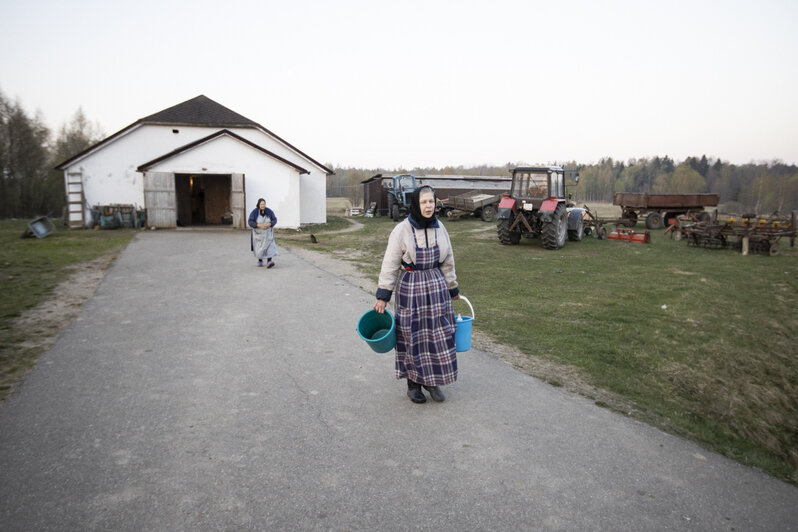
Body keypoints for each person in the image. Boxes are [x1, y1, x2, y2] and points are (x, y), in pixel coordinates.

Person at [373, 185, 460, 404]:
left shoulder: (440, 228)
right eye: (423, 202)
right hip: (411, 289)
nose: (428, 206)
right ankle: (413, 385)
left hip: (436, 287)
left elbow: (448, 261)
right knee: (413, 337)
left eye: (431, 201)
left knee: (437, 335)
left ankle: (432, 382)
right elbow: (390, 264)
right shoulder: (402, 230)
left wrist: (452, 287)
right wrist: (383, 295)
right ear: (416, 204)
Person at [248, 198, 278, 268]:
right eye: (261, 204)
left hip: (268, 234)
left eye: (264, 204)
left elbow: (274, 219)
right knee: (260, 248)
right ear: (258, 204)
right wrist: (258, 225)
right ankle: (260, 261)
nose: (263, 205)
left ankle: (269, 261)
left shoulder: (269, 211)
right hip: (258, 234)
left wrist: (270, 224)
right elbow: (250, 221)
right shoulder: (254, 212)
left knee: (269, 247)